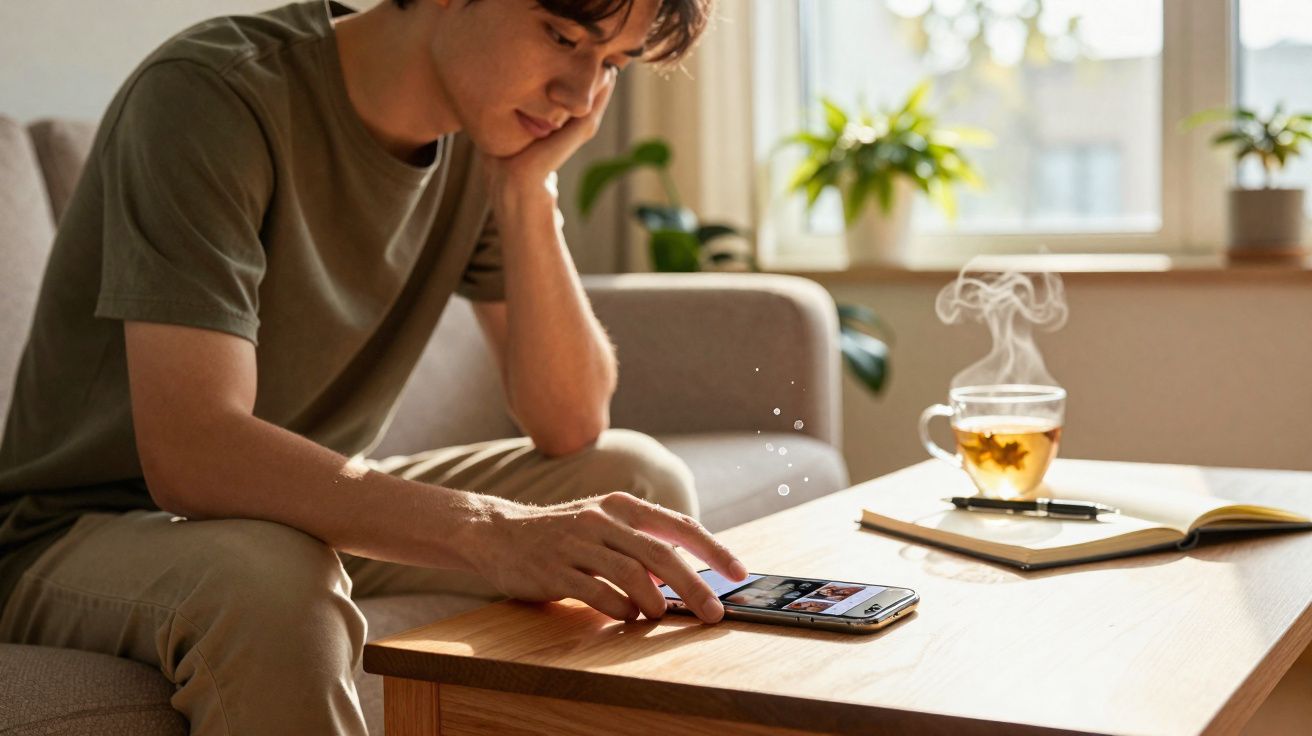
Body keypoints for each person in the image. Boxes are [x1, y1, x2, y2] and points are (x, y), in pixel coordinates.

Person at [0, 0, 747, 732]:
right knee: (269, 579)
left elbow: (572, 421)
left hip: (290, 520)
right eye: (561, 36)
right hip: (82, 532)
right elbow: (193, 452)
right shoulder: (213, 93)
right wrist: (490, 530)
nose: (581, 97)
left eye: (611, 63)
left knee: (634, 483)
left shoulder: (485, 138)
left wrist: (526, 192)